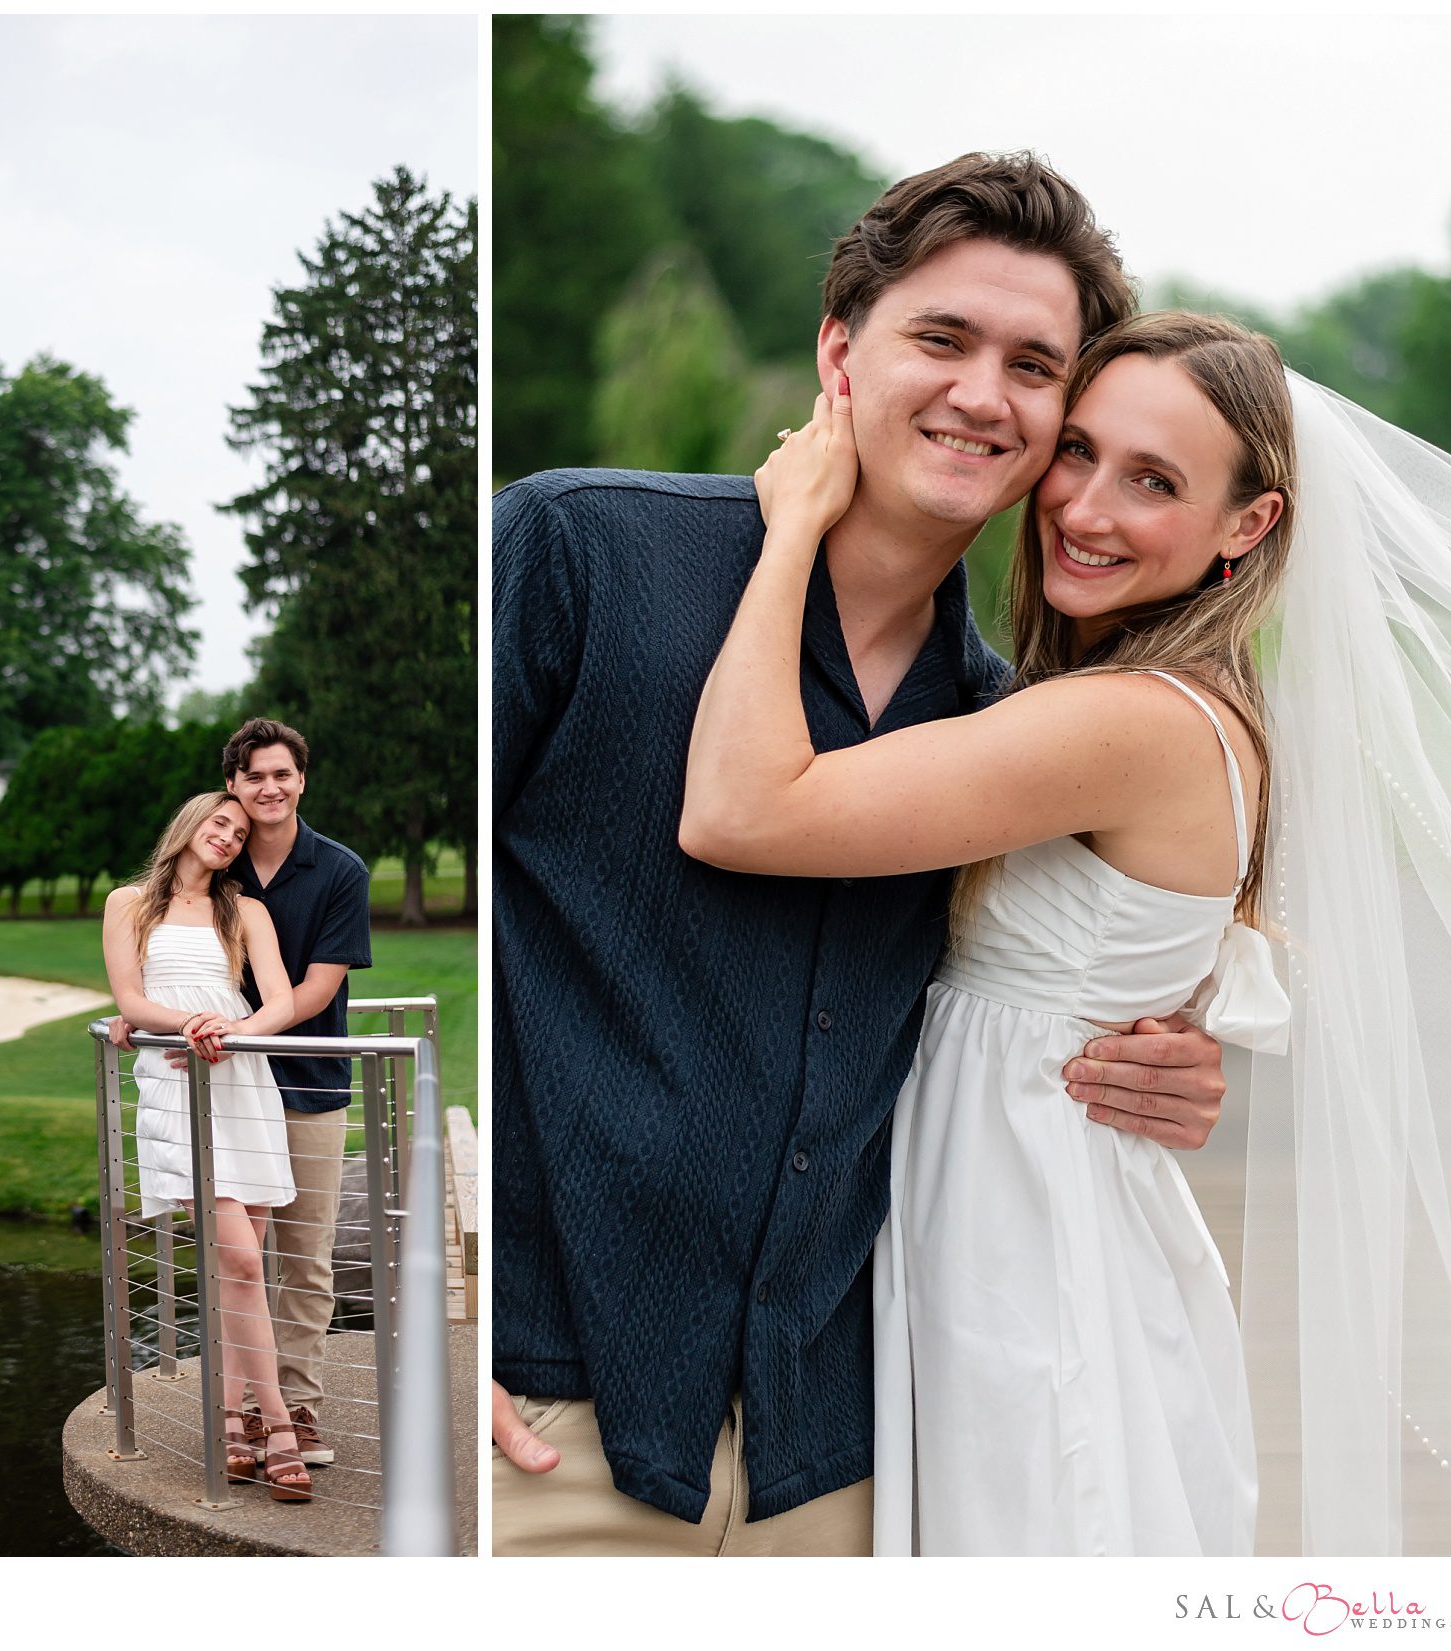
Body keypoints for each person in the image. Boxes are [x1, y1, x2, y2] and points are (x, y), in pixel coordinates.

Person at [491, 153, 1233, 1556]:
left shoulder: (1011, 729)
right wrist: (435, 1309)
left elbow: (1057, 981)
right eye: (940, 338)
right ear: (841, 348)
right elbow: (418, 944)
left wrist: (1181, 1046)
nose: (981, 393)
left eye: (1034, 366)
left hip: (839, 1458)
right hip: (548, 1418)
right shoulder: (579, 551)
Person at [102, 791, 312, 1502]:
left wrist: (236, 1034)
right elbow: (131, 998)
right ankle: (279, 1428)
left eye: (240, 831)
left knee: (236, 1272)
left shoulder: (244, 910)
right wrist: (185, 1024)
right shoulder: (128, 903)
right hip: (176, 1084)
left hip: (240, 1080)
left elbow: (280, 1001)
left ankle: (228, 1422)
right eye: (219, 822)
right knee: (244, 1263)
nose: (228, 835)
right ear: (190, 824)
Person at [220, 718, 374, 1469]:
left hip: (311, 1085)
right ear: (233, 786)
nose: (269, 788)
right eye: (254, 777)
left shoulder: (342, 870)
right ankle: (249, 1410)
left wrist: (245, 1028)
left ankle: (300, 1406)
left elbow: (316, 990)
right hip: (225, 1088)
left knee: (306, 1256)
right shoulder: (213, 865)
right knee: (242, 1255)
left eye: (281, 774)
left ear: (302, 779)